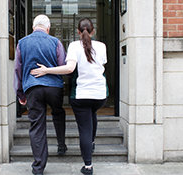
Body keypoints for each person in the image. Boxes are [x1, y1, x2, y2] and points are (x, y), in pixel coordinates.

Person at [31, 18, 108, 175]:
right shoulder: (102, 46)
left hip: (81, 95)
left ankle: (88, 166)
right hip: (100, 95)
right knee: (92, 113)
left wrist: (46, 70)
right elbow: (102, 65)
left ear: (78, 32)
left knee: (84, 129)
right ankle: (92, 142)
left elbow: (69, 69)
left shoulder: (74, 45)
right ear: (93, 31)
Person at [14, 14, 68, 175]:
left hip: (33, 88)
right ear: (48, 28)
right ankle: (61, 145)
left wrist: (20, 93)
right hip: (54, 88)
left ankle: (38, 167)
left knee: (37, 125)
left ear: (33, 27)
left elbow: (18, 70)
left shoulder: (22, 43)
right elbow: (62, 65)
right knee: (58, 113)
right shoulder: (56, 42)